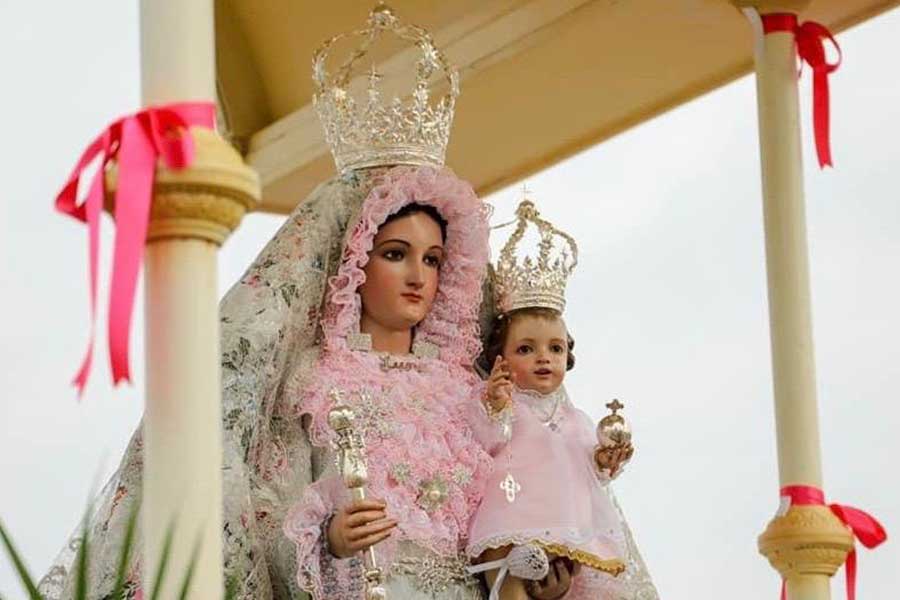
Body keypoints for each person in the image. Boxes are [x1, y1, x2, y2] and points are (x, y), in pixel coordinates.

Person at [37, 6, 579, 599]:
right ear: (353, 262)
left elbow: (511, 516)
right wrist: (329, 536)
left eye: (433, 260)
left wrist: (532, 577)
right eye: (396, 253)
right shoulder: (314, 380)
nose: (418, 276)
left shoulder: (474, 395)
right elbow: (262, 516)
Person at [465, 200, 660, 600]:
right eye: (526, 349)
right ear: (500, 357)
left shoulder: (576, 417)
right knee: (508, 578)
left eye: (554, 349)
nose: (543, 358)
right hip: (512, 508)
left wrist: (605, 461)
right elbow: (484, 441)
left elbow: (590, 467)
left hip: (565, 522)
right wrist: (494, 405)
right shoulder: (505, 401)